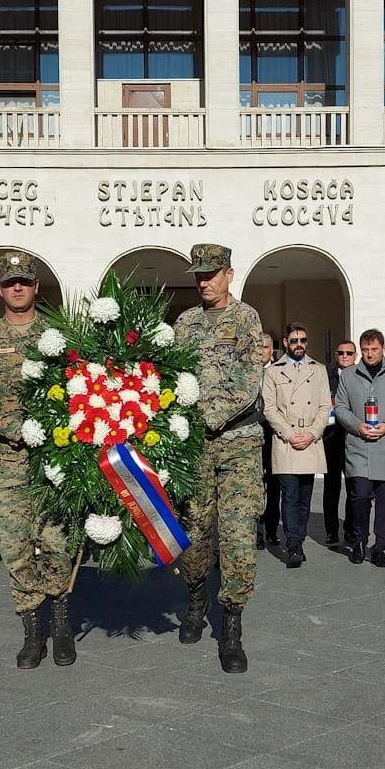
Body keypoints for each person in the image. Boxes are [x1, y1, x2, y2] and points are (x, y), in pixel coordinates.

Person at [0, 251, 76, 668]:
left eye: (25, 282)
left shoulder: (59, 336)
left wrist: (52, 430)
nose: (18, 288)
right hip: (7, 460)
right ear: (0, 290)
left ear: (36, 287)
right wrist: (23, 429)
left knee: (56, 541)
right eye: (11, 282)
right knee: (14, 545)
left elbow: (77, 390)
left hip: (54, 458)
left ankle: (61, 619)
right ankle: (33, 629)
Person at [174, 243, 263, 674]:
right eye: (198, 276)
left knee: (239, 534)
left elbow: (249, 379)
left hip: (239, 442)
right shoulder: (185, 323)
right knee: (193, 531)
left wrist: (210, 415)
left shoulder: (247, 319)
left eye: (211, 274)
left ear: (229, 273)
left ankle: (231, 625)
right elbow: (172, 379)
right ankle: (195, 599)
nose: (204, 282)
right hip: (194, 446)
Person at [334, 329, 385, 568]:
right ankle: (358, 540)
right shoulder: (348, 376)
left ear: (383, 349)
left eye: (374, 350)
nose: (369, 354)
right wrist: (357, 425)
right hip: (359, 447)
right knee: (359, 498)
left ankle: (380, 548)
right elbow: (340, 407)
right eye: (366, 350)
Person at [261, 322, 330, 569]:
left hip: (310, 439)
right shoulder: (273, 372)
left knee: (304, 496)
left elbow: (324, 406)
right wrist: (289, 433)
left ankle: (298, 537)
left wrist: (312, 433)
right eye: (294, 340)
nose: (299, 344)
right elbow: (269, 408)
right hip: (285, 440)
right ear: (286, 342)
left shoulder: (319, 370)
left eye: (302, 340)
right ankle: (293, 546)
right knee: (289, 495)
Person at [322, 339, 357, 545]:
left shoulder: (361, 377)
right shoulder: (327, 377)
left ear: (355, 356)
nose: (345, 356)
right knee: (331, 487)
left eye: (349, 353)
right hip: (331, 437)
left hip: (353, 438)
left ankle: (351, 529)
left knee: (354, 486)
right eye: (341, 353)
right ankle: (331, 530)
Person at [257, 331, 281, 549]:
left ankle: (272, 530)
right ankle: (256, 531)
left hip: (273, 434)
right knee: (254, 485)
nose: (261, 351)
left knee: (273, 484)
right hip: (252, 434)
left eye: (264, 347)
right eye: (257, 347)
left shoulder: (278, 373)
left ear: (271, 351)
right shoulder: (246, 373)